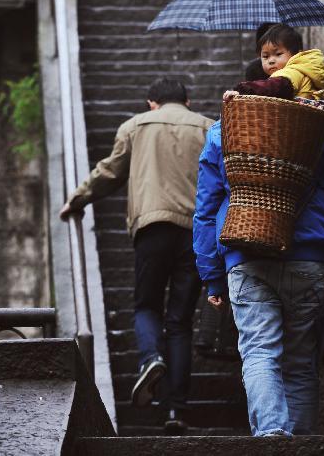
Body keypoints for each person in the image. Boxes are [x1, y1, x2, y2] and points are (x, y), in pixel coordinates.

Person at [193, 97, 324, 436]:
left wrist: (212, 276)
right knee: (299, 364)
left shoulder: (223, 130)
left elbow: (206, 210)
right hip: (310, 258)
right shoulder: (319, 129)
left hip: (247, 258)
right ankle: (298, 445)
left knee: (259, 353)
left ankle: (271, 437)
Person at [59, 77, 214, 433]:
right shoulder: (208, 127)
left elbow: (110, 172)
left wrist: (77, 199)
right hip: (195, 233)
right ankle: (176, 411)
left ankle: (150, 356)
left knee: (146, 306)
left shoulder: (136, 126)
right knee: (179, 322)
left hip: (152, 229)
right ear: (187, 101)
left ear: (151, 103)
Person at [223, 23, 324, 102]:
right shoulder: (302, 70)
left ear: (296, 54)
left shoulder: (292, 72)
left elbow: (272, 86)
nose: (271, 61)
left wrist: (242, 91)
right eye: (265, 56)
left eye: (278, 54)